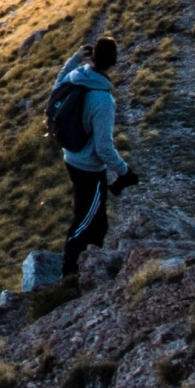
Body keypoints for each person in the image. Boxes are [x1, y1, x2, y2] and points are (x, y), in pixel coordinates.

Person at [54, 35, 137, 277]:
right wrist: (124, 171)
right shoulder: (103, 100)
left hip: (71, 156)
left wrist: (75, 58)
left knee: (95, 221)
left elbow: (57, 85)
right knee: (87, 221)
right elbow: (103, 147)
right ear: (114, 62)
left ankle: (82, 270)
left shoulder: (77, 76)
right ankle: (71, 272)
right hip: (88, 168)